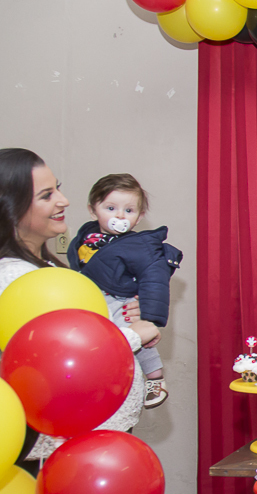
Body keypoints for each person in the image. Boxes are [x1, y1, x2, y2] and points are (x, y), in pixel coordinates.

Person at [0, 149, 159, 462]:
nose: (63, 201)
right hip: (60, 453)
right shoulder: (15, 277)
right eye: (47, 195)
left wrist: (127, 318)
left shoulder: (46, 266)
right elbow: (60, 358)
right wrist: (133, 336)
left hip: (89, 438)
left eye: (57, 188)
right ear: (11, 208)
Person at [69, 173, 182, 408]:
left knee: (135, 334)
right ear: (93, 210)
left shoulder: (141, 246)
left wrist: (150, 319)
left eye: (129, 211)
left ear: (139, 217)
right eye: (111, 208)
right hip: (90, 299)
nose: (120, 215)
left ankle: (155, 379)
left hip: (120, 298)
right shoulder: (86, 238)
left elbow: (155, 281)